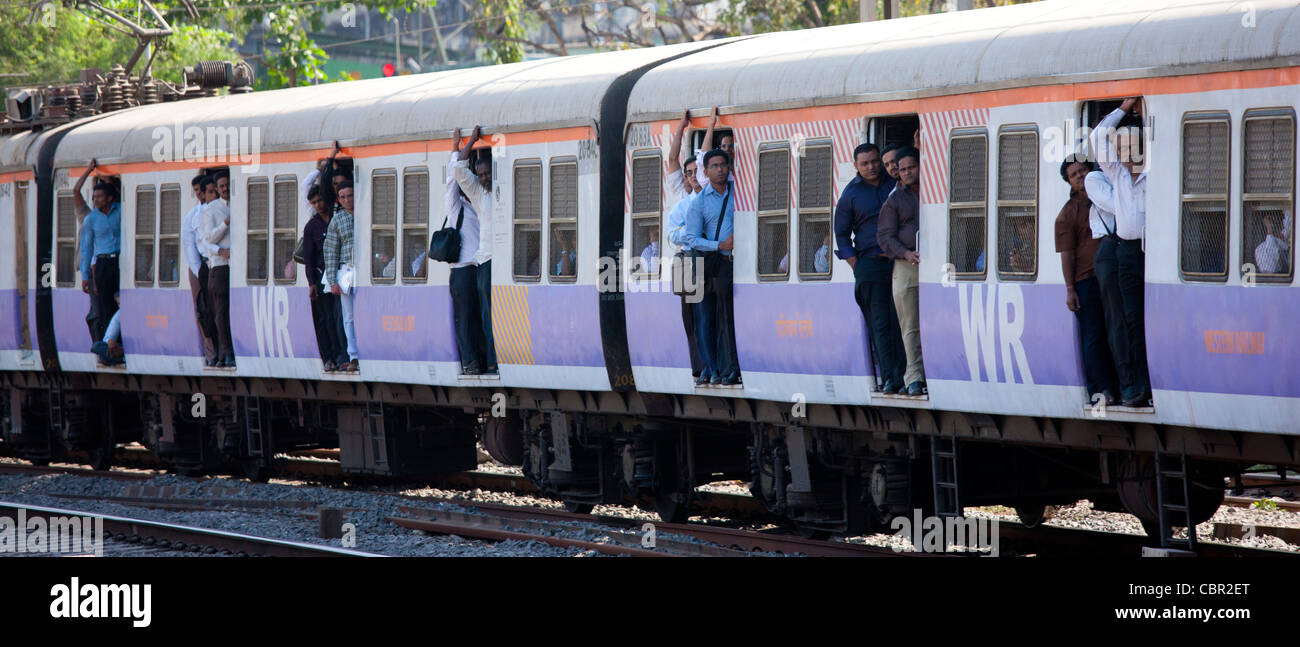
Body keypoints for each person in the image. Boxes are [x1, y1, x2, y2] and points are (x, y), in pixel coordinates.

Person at [1089, 96, 1150, 407]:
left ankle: (1150, 383)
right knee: (1130, 320)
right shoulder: (1118, 176)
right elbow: (1098, 138)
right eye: (1123, 149)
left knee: (1148, 320)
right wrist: (1124, 108)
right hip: (1127, 253)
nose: (1127, 155)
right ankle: (1136, 386)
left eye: (1132, 148)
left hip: (1153, 254)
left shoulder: (1155, 177)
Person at [835, 143, 906, 394]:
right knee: (880, 324)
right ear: (855, 166)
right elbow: (841, 235)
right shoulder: (850, 194)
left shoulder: (894, 184)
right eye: (865, 163)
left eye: (875, 161)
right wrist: (857, 265)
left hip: (899, 262)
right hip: (869, 265)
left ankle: (908, 375)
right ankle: (890, 378)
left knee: (902, 321)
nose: (872, 167)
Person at [1055, 158, 1119, 405]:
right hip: (1086, 282)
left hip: (1111, 278)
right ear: (1068, 182)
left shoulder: (1106, 195)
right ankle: (1100, 391)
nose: (1080, 176)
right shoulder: (1068, 214)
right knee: (1093, 337)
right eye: (1074, 174)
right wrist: (1070, 289)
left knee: (1114, 333)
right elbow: (1067, 255)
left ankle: (1116, 386)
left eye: (1083, 170)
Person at [682, 149, 740, 386]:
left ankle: (729, 367)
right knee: (705, 318)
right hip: (705, 264)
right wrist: (719, 244)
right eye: (714, 166)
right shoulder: (699, 202)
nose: (720, 169)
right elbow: (691, 238)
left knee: (726, 317)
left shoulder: (739, 193)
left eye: (723, 165)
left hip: (727, 264)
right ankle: (712, 368)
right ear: (705, 172)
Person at [877, 147, 925, 396]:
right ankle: (914, 377)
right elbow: (885, 236)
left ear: (921, 166)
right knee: (910, 325)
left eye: (912, 167)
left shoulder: (934, 190)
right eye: (903, 169)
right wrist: (906, 253)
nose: (907, 173)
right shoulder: (894, 200)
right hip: (907, 267)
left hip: (937, 265)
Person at [452, 125, 498, 375]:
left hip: (504, 263)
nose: (484, 178)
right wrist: (470, 141)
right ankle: (492, 362)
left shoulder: (505, 192)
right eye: (480, 175)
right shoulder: (480, 195)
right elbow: (459, 168)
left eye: (487, 173)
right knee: (488, 316)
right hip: (486, 261)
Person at [665, 111, 705, 379]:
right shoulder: (680, 192)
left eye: (694, 172)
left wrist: (711, 127)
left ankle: (705, 365)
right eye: (688, 172)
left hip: (700, 257)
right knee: (689, 317)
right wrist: (681, 127)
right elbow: (671, 158)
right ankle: (697, 366)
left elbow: (702, 158)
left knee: (703, 315)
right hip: (684, 260)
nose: (691, 176)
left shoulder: (704, 196)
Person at [73, 159, 121, 342]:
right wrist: (85, 276)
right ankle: (105, 345)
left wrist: (107, 177)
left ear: (109, 198)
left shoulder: (121, 211)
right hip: (101, 265)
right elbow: (86, 249)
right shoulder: (89, 219)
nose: (96, 200)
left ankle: (117, 343)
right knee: (103, 306)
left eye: (100, 197)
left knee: (122, 304)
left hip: (119, 261)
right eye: (94, 198)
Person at [199, 170, 235, 367]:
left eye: (228, 184)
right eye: (221, 186)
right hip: (220, 267)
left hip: (239, 265)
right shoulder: (211, 210)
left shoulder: (240, 202)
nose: (225, 188)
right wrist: (225, 224)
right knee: (221, 312)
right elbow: (209, 239)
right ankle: (225, 352)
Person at [323, 182, 359, 372]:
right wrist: (332, 280)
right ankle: (354, 355)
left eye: (350, 195)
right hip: (346, 271)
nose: (347, 200)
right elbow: (330, 250)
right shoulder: (338, 219)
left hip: (367, 270)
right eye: (343, 197)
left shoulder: (365, 212)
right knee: (349, 316)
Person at [182, 174, 218, 364]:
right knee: (204, 311)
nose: (199, 194)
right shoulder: (192, 217)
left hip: (216, 263)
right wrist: (199, 271)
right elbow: (189, 245)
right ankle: (211, 352)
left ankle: (219, 351)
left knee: (217, 309)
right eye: (196, 191)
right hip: (202, 266)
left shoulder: (218, 210)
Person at [693, 106, 736, 191]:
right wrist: (711, 124)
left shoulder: (744, 169)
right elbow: (703, 157)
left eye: (731, 146)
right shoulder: (716, 174)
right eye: (724, 146)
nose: (727, 149)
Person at [91, 293, 125, 367]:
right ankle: (121, 357)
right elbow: (108, 337)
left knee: (105, 356)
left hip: (135, 348)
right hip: (123, 349)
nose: (121, 306)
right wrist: (110, 341)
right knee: (97, 346)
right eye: (119, 304)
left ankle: (120, 358)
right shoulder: (119, 314)